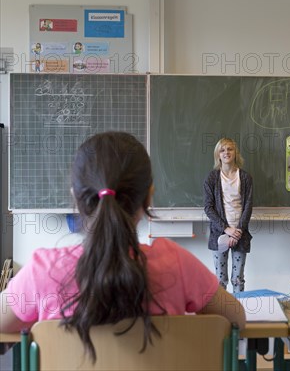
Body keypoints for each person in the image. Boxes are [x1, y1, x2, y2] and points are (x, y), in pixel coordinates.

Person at [0, 132, 246, 361]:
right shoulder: (178, 264)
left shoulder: (43, 272)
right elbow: (237, 319)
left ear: (76, 197)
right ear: (149, 196)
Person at [204, 138, 253, 293]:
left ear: (235, 153)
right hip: (219, 235)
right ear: (218, 155)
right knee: (220, 279)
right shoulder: (212, 178)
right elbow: (208, 207)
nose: (226, 153)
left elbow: (248, 206)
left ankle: (239, 312)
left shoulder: (245, 178)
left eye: (230, 149)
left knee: (238, 278)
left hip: (240, 233)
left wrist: (237, 231)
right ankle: (223, 313)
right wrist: (226, 229)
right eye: (222, 150)